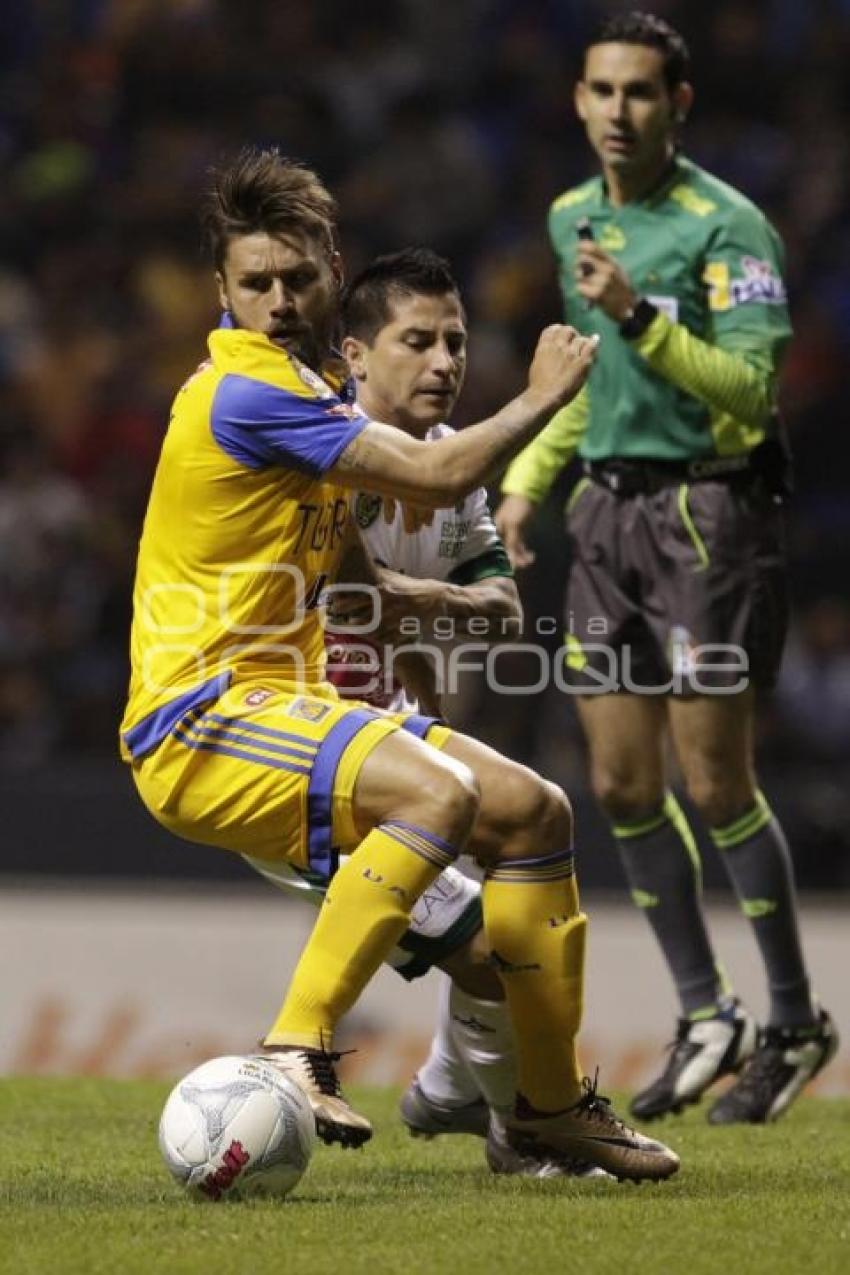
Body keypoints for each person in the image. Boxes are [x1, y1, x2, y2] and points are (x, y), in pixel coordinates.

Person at [119, 147, 678, 1181]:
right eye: (257, 284)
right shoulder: (244, 394)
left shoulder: (318, 392)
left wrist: (411, 660)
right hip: (199, 717)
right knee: (442, 793)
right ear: (223, 292)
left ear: (331, 267)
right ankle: (296, 1047)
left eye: (297, 278)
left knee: (534, 810)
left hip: (289, 704)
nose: (280, 301)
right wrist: (542, 394)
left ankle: (546, 1112)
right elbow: (436, 466)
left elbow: (357, 579)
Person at [496, 11, 837, 1125]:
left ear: (676, 104)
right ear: (578, 100)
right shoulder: (570, 218)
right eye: (600, 90)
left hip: (706, 515)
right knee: (620, 786)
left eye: (640, 92)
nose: (616, 111)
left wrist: (639, 312)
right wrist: (526, 483)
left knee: (715, 781)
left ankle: (791, 1017)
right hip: (606, 515)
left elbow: (749, 391)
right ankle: (706, 1013)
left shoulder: (726, 230)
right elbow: (586, 377)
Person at [249, 245, 599, 1179]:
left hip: (397, 746)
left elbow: (503, 606)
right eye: (418, 341)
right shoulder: (309, 446)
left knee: (533, 853)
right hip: (295, 753)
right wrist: (410, 604)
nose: (446, 361)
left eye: (456, 341)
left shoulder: (457, 465)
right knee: (491, 954)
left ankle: (456, 1082)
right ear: (356, 354)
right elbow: (347, 600)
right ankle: (512, 1131)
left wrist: (412, 599)